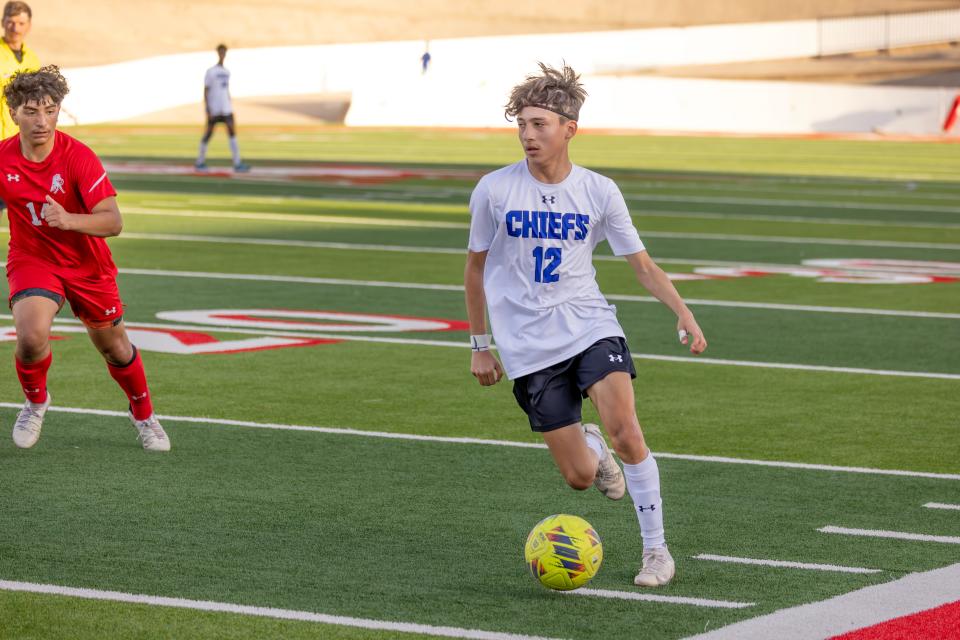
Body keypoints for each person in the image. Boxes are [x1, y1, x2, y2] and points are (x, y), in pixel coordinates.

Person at [464, 63, 707, 587]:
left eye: (540, 124)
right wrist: (480, 345)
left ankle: (656, 551)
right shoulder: (493, 190)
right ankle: (589, 448)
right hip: (527, 345)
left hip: (590, 324)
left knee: (628, 432)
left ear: (569, 128)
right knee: (578, 478)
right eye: (522, 124)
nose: (528, 135)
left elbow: (641, 264)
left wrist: (682, 310)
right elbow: (475, 268)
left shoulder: (599, 191)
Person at [1, 65, 170, 452]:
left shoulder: (78, 157)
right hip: (33, 257)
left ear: (60, 110)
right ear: (13, 113)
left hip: (87, 264)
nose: (42, 121)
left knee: (115, 347)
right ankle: (35, 401)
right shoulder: (3, 158)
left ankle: (144, 415)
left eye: (50, 110)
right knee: (30, 336)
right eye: (31, 111)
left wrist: (68, 219)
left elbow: (113, 221)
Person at [195, 44, 249, 172]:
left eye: (224, 52)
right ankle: (200, 162)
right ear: (217, 53)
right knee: (208, 134)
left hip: (226, 108)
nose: (222, 55)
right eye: (221, 52)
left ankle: (237, 163)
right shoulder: (211, 72)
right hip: (214, 108)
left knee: (232, 134)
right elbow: (206, 90)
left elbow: (226, 90)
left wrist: (229, 103)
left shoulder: (227, 72)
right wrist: (207, 108)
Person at [0, 1, 38, 140]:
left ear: (29, 25)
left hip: (22, 139)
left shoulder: (33, 59)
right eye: (11, 22)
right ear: (2, 22)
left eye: (21, 23)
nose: (15, 28)